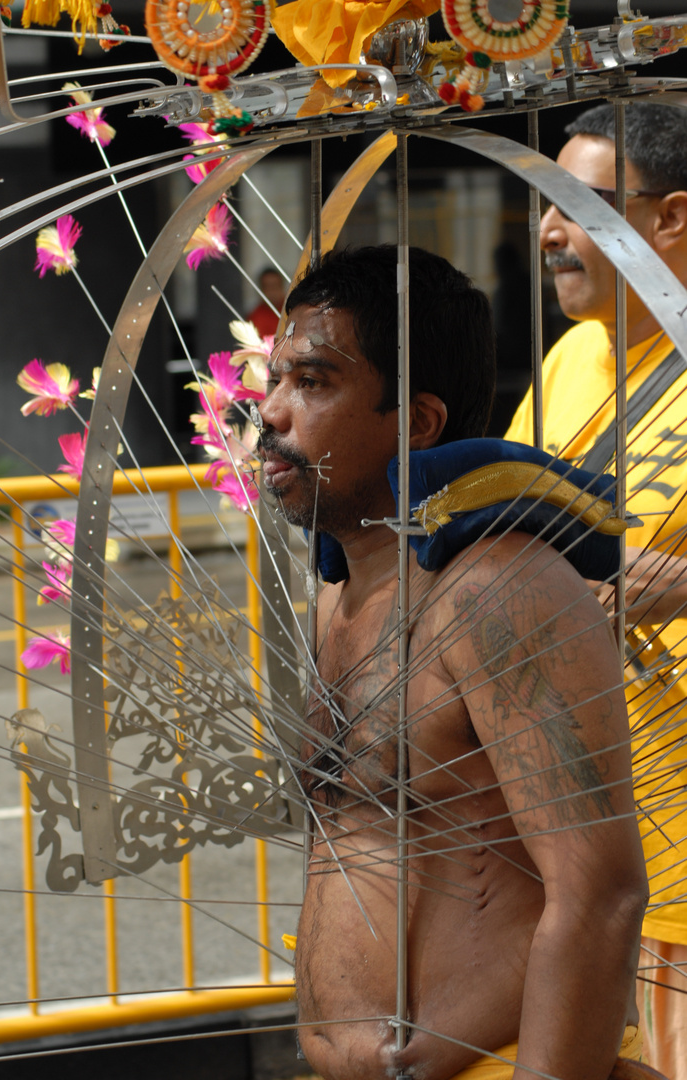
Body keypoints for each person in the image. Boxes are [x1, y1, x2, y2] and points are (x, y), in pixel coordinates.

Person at [257, 245, 648, 1080]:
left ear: (420, 422)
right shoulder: (343, 588)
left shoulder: (498, 589)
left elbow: (600, 894)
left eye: (314, 383)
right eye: (273, 381)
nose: (272, 415)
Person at [506, 102, 687, 1080]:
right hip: (600, 847)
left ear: (671, 220)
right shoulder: (574, 357)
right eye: (545, 201)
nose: (548, 229)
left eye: (578, 203)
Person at [246, 267, 286, 338]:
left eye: (275, 286)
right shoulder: (255, 317)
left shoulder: (292, 310)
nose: (272, 291)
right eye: (268, 287)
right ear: (261, 290)